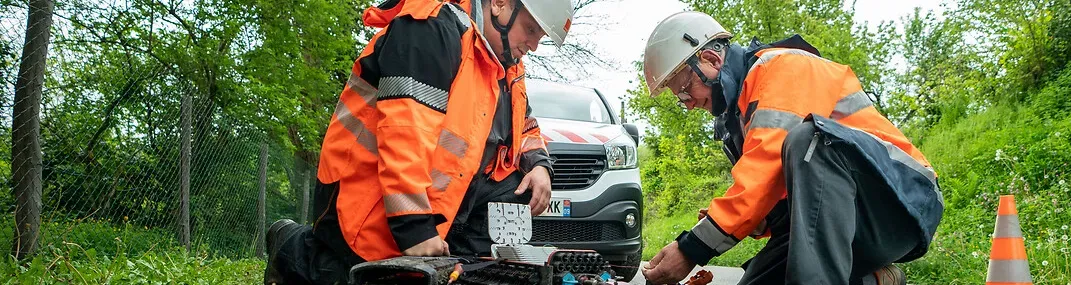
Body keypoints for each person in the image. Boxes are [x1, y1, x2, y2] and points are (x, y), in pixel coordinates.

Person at [262, 0, 574, 283]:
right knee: (354, 274)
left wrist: (540, 165)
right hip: (365, 191)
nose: (533, 45)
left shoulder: (506, 66)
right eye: (530, 29)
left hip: (434, 201)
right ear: (500, 4)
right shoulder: (430, 28)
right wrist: (416, 229)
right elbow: (405, 132)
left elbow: (525, 126)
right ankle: (290, 247)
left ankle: (463, 266)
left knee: (519, 182)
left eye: (540, 37)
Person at [639, 11, 944, 285]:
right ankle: (873, 280)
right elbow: (799, 201)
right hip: (853, 225)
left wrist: (691, 248)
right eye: (681, 100)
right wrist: (757, 220)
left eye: (684, 90)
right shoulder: (740, 122)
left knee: (809, 139)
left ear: (711, 59)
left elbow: (768, 170)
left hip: (902, 202)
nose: (689, 105)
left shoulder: (783, 68)